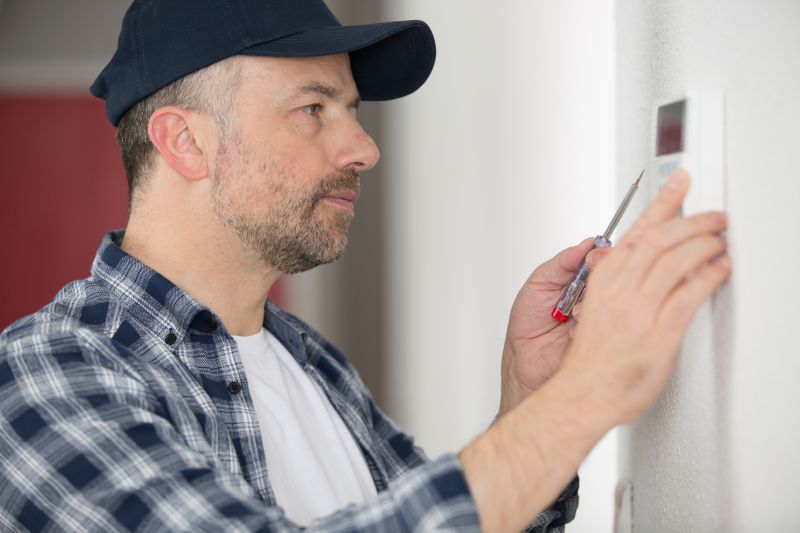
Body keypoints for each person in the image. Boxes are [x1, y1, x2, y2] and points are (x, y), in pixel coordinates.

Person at [0, 0, 730, 531]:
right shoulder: (42, 377)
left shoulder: (304, 357)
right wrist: (588, 395)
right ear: (185, 143)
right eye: (313, 110)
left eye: (351, 109)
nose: (364, 148)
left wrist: (531, 397)